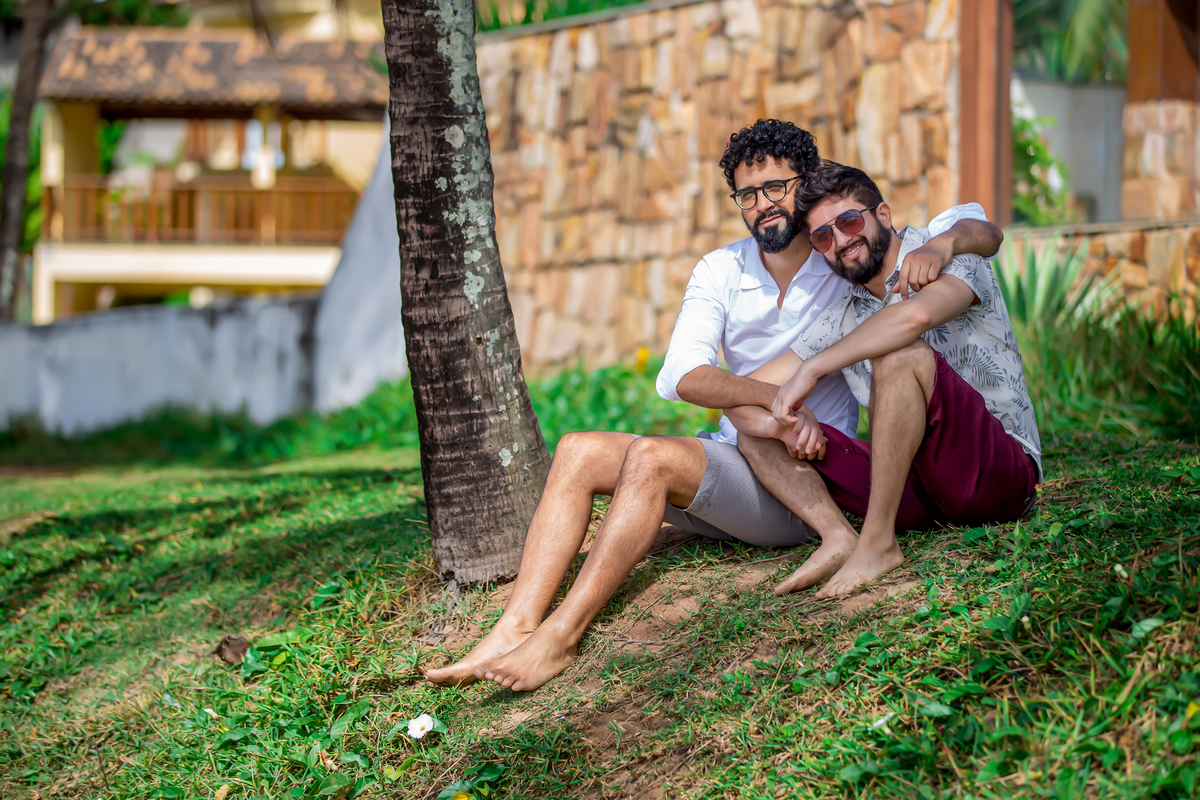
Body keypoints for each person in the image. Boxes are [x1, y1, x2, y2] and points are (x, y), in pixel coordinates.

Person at [424, 120, 1003, 692]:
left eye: (777, 187)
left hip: (806, 473)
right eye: (747, 195)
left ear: (807, 186)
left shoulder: (840, 267)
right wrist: (774, 400)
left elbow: (952, 243)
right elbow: (681, 376)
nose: (763, 205)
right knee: (577, 450)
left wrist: (942, 244)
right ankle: (514, 626)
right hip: (742, 451)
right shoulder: (722, 268)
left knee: (652, 457)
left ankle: (561, 637)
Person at [728, 163, 1041, 599]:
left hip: (997, 474)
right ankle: (838, 538)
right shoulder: (846, 314)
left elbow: (914, 316)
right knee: (755, 436)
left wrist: (812, 369)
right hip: (917, 491)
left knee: (897, 353)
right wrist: (781, 423)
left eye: (850, 221)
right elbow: (742, 395)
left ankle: (878, 544)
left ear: (884, 215)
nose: (841, 241)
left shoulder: (949, 256)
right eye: (823, 236)